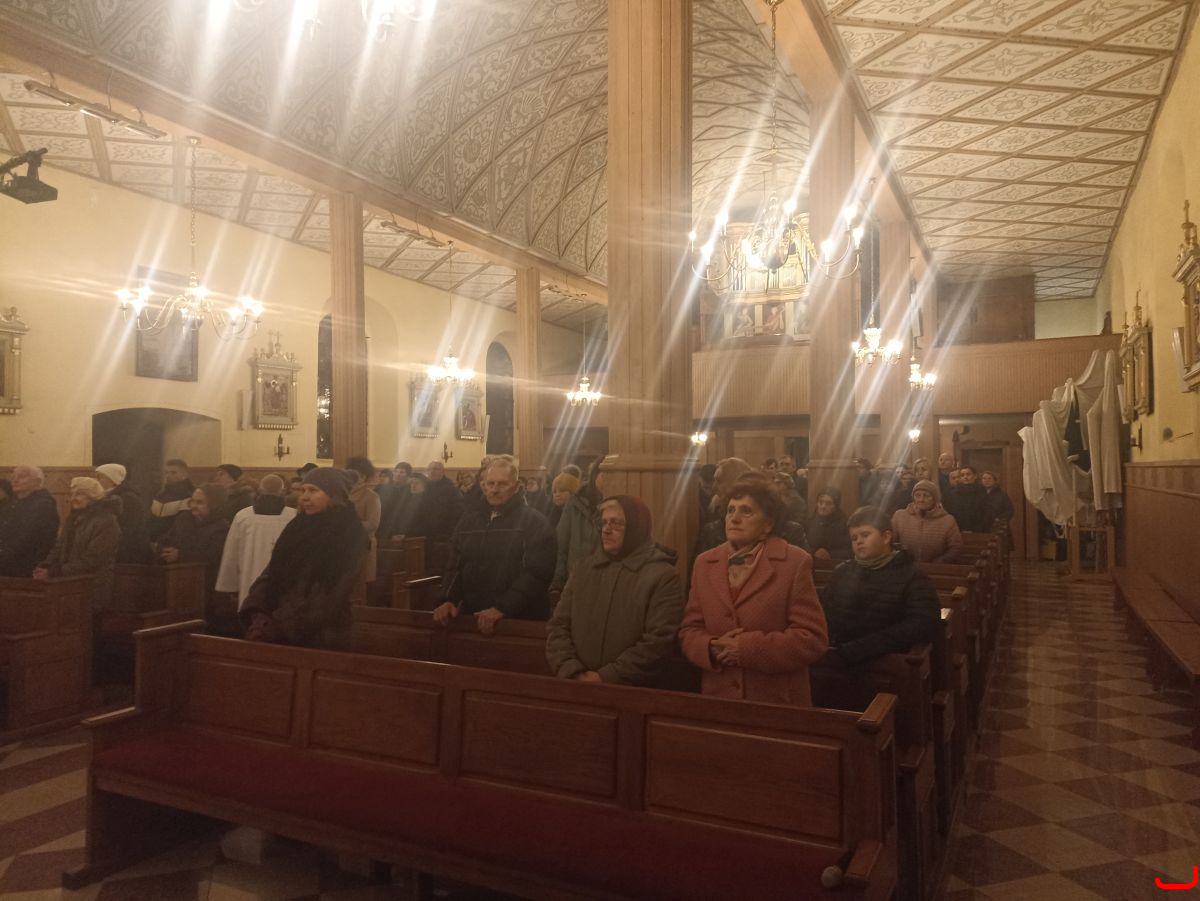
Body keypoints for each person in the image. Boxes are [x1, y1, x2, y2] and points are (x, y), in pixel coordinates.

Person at [679, 478, 828, 705]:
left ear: (768, 524)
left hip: (776, 701)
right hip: (719, 698)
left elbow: (812, 638)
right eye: (730, 510)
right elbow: (690, 630)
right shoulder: (705, 563)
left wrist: (747, 649)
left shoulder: (794, 562)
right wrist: (709, 647)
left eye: (746, 511)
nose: (734, 518)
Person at [546, 495, 683, 685]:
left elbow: (658, 641)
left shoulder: (663, 576)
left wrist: (607, 676)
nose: (606, 529)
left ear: (637, 527)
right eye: (603, 522)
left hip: (630, 690)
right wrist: (571, 669)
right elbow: (558, 625)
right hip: (575, 683)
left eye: (616, 523)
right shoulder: (583, 569)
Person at [240, 467, 367, 650]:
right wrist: (259, 614)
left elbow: (330, 595)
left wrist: (281, 626)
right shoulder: (298, 525)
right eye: (303, 490)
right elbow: (271, 573)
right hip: (275, 625)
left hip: (320, 634)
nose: (304, 497)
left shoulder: (350, 533)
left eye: (313, 490)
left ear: (335, 495)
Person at [432, 456, 556, 633]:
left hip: (517, 619)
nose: (494, 490)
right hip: (473, 615)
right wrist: (448, 599)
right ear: (483, 485)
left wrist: (503, 607)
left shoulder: (534, 523)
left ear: (516, 487)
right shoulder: (469, 520)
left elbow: (537, 574)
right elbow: (455, 566)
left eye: (502, 484)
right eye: (490, 483)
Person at [819, 506, 940, 665]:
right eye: (854, 538)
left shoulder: (912, 575)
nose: (859, 541)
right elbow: (823, 613)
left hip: (888, 662)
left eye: (865, 535)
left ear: (886, 537)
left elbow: (924, 622)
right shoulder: (841, 572)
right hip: (840, 657)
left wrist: (862, 648)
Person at [33, 477, 121, 609]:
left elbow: (94, 559)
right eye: (72, 493)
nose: (73, 498)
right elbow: (59, 547)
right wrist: (45, 566)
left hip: (92, 585)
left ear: (93, 496)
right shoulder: (74, 517)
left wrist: (55, 571)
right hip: (69, 582)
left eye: (79, 494)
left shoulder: (106, 521)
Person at [215, 474, 297, 609]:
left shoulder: (243, 516)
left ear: (260, 489)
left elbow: (231, 554)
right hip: (283, 582)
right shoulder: (294, 516)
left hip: (249, 578)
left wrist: (230, 586)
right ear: (283, 491)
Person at [159, 483, 232, 602]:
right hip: (175, 578)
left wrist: (180, 555)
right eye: (192, 501)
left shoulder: (221, 528)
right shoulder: (183, 518)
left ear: (214, 505)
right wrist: (163, 550)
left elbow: (211, 557)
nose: (193, 506)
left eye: (200, 502)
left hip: (204, 585)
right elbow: (165, 539)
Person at [553, 455, 603, 589]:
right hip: (576, 578)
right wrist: (558, 582)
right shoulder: (575, 502)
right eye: (604, 474)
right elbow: (561, 545)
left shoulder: (617, 504)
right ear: (595, 476)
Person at [0, 465, 60, 577]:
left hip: (26, 566)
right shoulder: (11, 504)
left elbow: (28, 539)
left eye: (21, 477)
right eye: (13, 477)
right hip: (7, 562)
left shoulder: (44, 505)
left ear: (37, 482)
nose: (15, 480)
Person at [890, 479, 963, 563]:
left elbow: (956, 548)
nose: (921, 499)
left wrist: (940, 562)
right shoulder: (900, 516)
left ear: (934, 499)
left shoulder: (947, 520)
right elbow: (890, 543)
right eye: (917, 495)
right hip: (904, 566)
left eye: (926, 496)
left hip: (935, 568)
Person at [95, 463, 151, 564]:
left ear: (112, 479)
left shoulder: (128, 498)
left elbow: (130, 528)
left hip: (128, 551)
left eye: (100, 477)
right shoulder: (104, 496)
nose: (96, 481)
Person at [345, 456, 382, 585]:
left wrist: (347, 526)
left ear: (364, 477)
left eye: (357, 474)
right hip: (344, 545)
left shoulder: (371, 496)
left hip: (363, 545)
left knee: (361, 583)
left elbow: (373, 524)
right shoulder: (342, 494)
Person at [149, 459, 194, 540]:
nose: (168, 476)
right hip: (154, 542)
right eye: (166, 472)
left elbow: (181, 527)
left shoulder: (188, 496)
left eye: (173, 472)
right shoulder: (160, 495)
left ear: (185, 474)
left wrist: (162, 542)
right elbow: (151, 520)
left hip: (172, 543)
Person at [422, 460, 465, 541]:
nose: (432, 472)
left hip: (443, 534)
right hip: (426, 533)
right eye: (430, 469)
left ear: (443, 471)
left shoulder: (451, 489)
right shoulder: (423, 487)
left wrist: (449, 532)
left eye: (436, 469)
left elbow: (458, 512)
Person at [807, 487, 852, 563]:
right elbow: (803, 546)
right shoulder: (810, 522)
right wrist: (814, 552)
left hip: (836, 564)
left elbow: (851, 551)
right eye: (820, 502)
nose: (823, 506)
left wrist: (830, 554)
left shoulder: (845, 524)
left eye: (828, 503)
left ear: (835, 506)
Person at [953, 466, 989, 533]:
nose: (965, 477)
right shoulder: (955, 493)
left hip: (979, 529)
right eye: (962, 475)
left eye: (968, 474)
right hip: (959, 529)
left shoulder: (982, 491)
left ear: (975, 476)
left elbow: (985, 512)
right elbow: (953, 512)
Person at [981, 470, 1015, 540]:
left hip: (997, 527)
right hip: (982, 527)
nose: (986, 481)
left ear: (994, 480)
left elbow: (1009, 510)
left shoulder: (1001, 495)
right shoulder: (979, 494)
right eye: (984, 478)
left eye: (989, 478)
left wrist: (998, 519)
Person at [697, 463, 719, 531]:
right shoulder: (695, 495)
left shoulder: (722, 494)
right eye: (706, 488)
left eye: (712, 488)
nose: (709, 493)